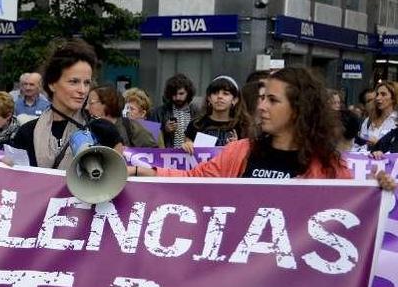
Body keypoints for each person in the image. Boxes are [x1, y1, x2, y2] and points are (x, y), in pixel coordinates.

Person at [128, 67, 391, 183]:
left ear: (299, 109)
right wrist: (136, 172)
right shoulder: (240, 152)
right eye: (262, 98)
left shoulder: (329, 167)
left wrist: (375, 191)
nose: (262, 106)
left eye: (273, 100)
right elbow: (192, 180)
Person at [10, 39, 122, 169]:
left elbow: (114, 178)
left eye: (86, 83)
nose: (82, 90)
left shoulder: (104, 131)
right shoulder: (26, 133)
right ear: (52, 84)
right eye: (73, 81)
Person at [181, 76, 253, 154]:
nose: (219, 97)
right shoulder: (196, 124)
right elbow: (186, 149)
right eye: (215, 93)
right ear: (209, 98)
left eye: (225, 94)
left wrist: (237, 147)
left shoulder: (243, 126)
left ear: (235, 100)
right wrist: (187, 146)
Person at [89, 85, 157, 148]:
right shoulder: (88, 127)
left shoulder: (132, 128)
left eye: (91, 103)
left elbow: (156, 155)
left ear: (106, 105)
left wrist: (130, 155)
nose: (86, 107)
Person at [148, 73, 202, 148]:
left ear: (188, 93)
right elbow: (150, 139)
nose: (177, 97)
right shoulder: (158, 112)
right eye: (174, 94)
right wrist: (164, 130)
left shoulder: (197, 112)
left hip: (192, 155)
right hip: (167, 156)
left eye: (181, 93)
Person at [359, 81, 398, 149]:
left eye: (383, 94)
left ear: (393, 99)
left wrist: (379, 144)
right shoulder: (369, 120)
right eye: (377, 94)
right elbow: (358, 146)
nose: (377, 98)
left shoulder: (396, 121)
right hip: (366, 158)